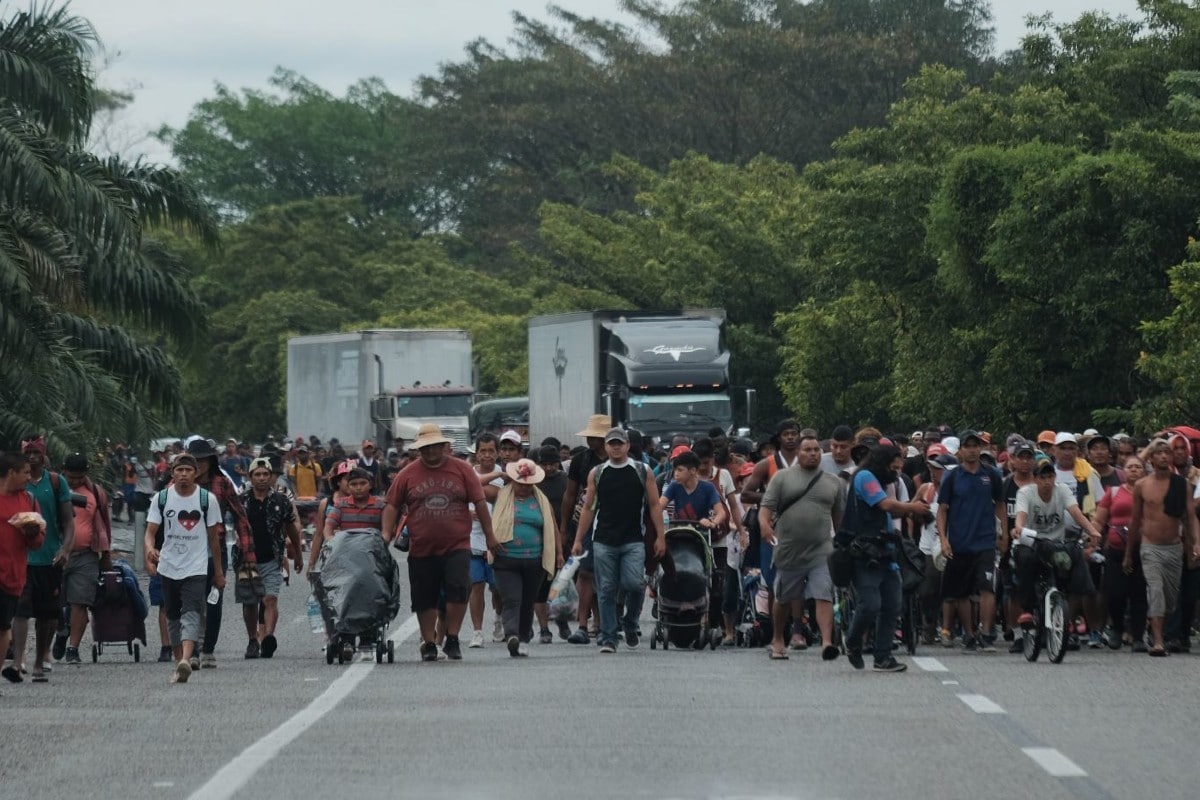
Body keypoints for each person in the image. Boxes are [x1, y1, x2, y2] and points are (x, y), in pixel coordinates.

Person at [382, 424, 496, 661]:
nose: (431, 451)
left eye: (435, 446)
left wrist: (490, 537)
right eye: (425, 447)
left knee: (458, 589)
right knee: (424, 597)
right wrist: (385, 534)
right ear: (419, 449)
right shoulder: (408, 473)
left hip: (457, 545)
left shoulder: (462, 470)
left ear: (444, 447)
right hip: (422, 547)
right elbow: (392, 503)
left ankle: (452, 638)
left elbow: (480, 502)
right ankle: (429, 641)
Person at [571, 428, 666, 653]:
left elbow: (654, 505)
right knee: (605, 588)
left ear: (627, 446)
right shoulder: (597, 472)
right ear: (606, 446)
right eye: (611, 443)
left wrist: (660, 537)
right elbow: (588, 507)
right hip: (603, 539)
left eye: (619, 443)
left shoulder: (643, 471)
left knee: (634, 583)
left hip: (634, 539)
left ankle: (630, 623)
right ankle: (609, 637)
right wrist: (578, 539)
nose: (615, 447)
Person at [843, 443, 929, 672]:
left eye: (900, 469)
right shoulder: (865, 477)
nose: (897, 473)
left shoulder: (882, 481)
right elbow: (885, 505)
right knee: (870, 604)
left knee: (893, 604)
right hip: (864, 551)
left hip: (886, 549)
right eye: (893, 468)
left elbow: (894, 510)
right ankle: (852, 641)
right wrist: (913, 506)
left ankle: (883, 657)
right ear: (882, 463)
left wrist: (916, 509)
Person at [759, 433, 845, 661]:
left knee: (823, 593)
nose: (813, 454)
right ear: (798, 453)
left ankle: (827, 642)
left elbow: (838, 519)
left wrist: (843, 545)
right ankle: (778, 638)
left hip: (821, 551)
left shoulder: (833, 482)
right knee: (784, 598)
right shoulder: (782, 478)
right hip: (789, 551)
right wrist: (765, 527)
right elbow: (765, 509)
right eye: (807, 450)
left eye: (816, 450)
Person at [144, 455, 225, 683]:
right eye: (179, 470)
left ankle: (187, 658)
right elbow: (150, 532)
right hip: (169, 566)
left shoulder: (206, 499)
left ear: (195, 473)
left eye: (188, 470)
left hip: (196, 566)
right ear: (172, 473)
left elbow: (214, 540)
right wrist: (150, 552)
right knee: (172, 615)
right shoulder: (161, 499)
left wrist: (218, 572)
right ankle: (179, 660)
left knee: (192, 612)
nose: (183, 474)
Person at [1011, 459, 1101, 644]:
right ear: (1035, 479)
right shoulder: (1026, 493)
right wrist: (1019, 527)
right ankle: (1028, 610)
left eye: (1050, 476)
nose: (1047, 481)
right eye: (1042, 477)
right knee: (1025, 559)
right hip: (1031, 542)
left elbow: (1076, 512)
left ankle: (1069, 612)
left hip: (1055, 544)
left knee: (1076, 553)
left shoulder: (1062, 490)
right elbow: (1021, 516)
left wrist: (1092, 531)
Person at [1124, 440, 1200, 657]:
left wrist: (1196, 542)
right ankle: (1158, 641)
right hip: (1150, 547)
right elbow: (1136, 520)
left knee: (1169, 599)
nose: (1164, 457)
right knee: (1156, 591)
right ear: (1152, 458)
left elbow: (1190, 516)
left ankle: (1154, 626)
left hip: (1174, 548)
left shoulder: (1181, 484)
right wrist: (1129, 553)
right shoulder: (1142, 486)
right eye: (1159, 453)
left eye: (1167, 453)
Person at [185, 438, 255, 670]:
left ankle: (208, 650)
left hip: (216, 550)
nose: (200, 465)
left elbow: (240, 515)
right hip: (186, 551)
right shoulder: (180, 484)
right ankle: (191, 650)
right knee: (191, 601)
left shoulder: (222, 483)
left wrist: (246, 549)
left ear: (211, 461)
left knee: (214, 599)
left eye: (204, 460)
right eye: (196, 461)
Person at [935, 430, 1004, 652]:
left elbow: (1000, 504)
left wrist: (1003, 534)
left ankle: (986, 633)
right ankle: (969, 633)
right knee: (961, 592)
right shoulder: (952, 476)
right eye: (968, 446)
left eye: (976, 446)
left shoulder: (991, 474)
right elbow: (942, 510)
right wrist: (944, 540)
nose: (973, 450)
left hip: (985, 541)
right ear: (960, 451)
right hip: (959, 542)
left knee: (987, 588)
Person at [12, 436, 73, 682]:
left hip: (50, 558)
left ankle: (40, 660)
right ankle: (18, 662)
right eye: (27, 452)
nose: (32, 456)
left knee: (48, 614)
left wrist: (66, 549)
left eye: (36, 452)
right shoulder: (15, 483)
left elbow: (68, 521)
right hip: (23, 558)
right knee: (21, 610)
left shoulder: (57, 483)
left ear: (44, 455)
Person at [490, 459, 559, 657]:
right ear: (513, 480)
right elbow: (475, 485)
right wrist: (497, 475)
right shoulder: (501, 494)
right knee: (512, 599)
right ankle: (512, 635)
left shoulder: (541, 500)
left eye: (527, 484)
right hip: (506, 559)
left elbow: (551, 525)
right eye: (519, 483)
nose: (523, 487)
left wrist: (559, 553)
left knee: (528, 600)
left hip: (534, 560)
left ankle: (523, 638)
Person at [238, 457, 302, 660]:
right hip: (246, 559)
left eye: (266, 474)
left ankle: (268, 638)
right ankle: (252, 640)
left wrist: (297, 555)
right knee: (249, 602)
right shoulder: (241, 501)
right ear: (250, 477)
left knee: (270, 598)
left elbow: (291, 528)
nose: (262, 478)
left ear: (272, 477)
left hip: (272, 559)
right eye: (257, 474)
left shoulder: (281, 501)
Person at [561, 414, 610, 644]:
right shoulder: (580, 460)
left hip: (612, 521)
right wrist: (564, 528)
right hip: (584, 520)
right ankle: (583, 623)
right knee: (585, 572)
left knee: (608, 575)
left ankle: (604, 622)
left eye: (596, 437)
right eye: (590, 436)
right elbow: (569, 496)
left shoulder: (619, 458)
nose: (591, 440)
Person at [60, 453, 111, 665]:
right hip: (56, 555)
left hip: (86, 555)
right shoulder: (55, 488)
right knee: (52, 602)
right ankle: (60, 630)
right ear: (63, 472)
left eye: (79, 478)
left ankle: (73, 648)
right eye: (71, 477)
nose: (74, 482)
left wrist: (106, 555)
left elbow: (105, 524)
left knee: (80, 602)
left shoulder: (96, 493)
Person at [0, 453, 45, 684]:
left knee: (3, 627)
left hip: (12, 575)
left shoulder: (27, 500)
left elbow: (37, 543)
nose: (29, 477)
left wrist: (32, 532)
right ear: (11, 473)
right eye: (25, 472)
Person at [1095, 455, 1147, 652]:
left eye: (1138, 467)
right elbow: (1100, 519)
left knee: (1139, 594)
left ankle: (1138, 636)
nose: (1134, 470)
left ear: (1144, 471)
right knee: (1115, 593)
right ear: (1123, 471)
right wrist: (1094, 536)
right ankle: (1116, 629)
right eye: (1130, 467)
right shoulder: (1113, 491)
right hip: (1115, 549)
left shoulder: (1148, 492)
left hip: (1142, 549)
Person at [467, 433, 506, 648]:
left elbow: (494, 494)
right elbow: (462, 498)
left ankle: (498, 620)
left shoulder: (504, 476)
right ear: (477, 453)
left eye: (491, 451)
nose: (487, 455)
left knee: (497, 588)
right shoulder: (468, 474)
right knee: (476, 585)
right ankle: (477, 631)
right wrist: (467, 514)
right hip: (472, 539)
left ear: (497, 452)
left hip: (498, 541)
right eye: (483, 451)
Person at [532, 445, 569, 642]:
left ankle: (562, 622)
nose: (549, 468)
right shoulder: (533, 481)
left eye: (553, 464)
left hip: (564, 537)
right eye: (544, 464)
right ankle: (544, 629)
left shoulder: (565, 480)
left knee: (560, 584)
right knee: (541, 587)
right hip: (539, 538)